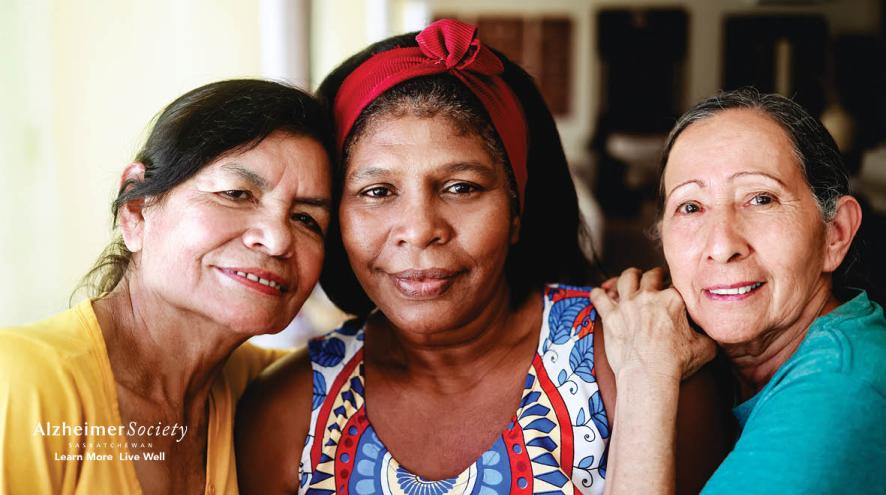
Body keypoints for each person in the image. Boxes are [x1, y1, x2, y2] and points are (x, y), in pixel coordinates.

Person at [236, 19, 729, 495]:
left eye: (461, 187)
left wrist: (650, 377)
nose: (420, 229)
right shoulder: (290, 410)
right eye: (378, 191)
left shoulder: (638, 359)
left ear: (517, 209)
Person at [0, 79, 333, 494]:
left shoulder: (276, 393)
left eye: (307, 220)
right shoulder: (21, 381)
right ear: (136, 209)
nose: (278, 239)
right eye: (236, 194)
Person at [592, 88, 886, 494]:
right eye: (691, 207)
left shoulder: (838, 392)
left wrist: (645, 370)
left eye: (760, 198)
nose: (722, 244)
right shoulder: (741, 367)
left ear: (834, 234)